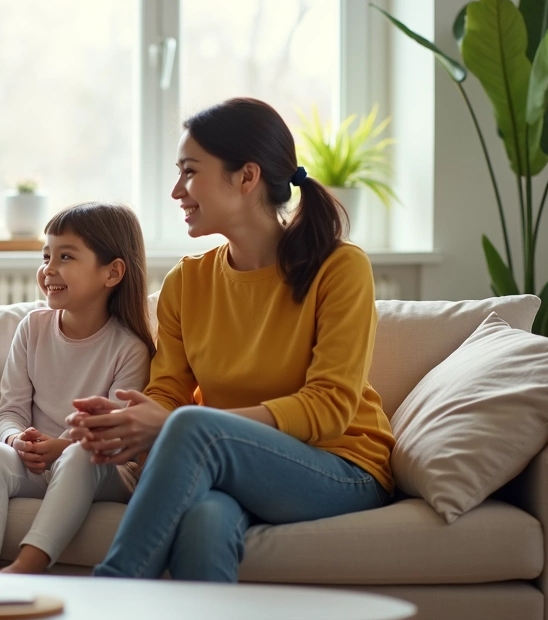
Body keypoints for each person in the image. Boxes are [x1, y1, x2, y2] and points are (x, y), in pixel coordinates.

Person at [67, 97, 395, 582]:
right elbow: (169, 390)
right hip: (231, 467)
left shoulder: (340, 268)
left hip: (340, 467)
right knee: (204, 521)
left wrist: (188, 425)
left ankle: (108, 595)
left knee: (193, 426)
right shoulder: (187, 282)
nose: (177, 189)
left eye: (190, 171)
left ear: (246, 177)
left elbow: (330, 405)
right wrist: (132, 419)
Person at [0, 203, 155, 574]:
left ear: (112, 272)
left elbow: (113, 436)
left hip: (101, 466)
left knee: (81, 453)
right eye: (46, 255)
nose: (49, 269)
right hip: (38, 460)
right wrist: (17, 441)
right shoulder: (32, 329)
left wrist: (62, 446)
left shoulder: (130, 347)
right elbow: (9, 411)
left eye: (66, 257)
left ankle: (27, 566)